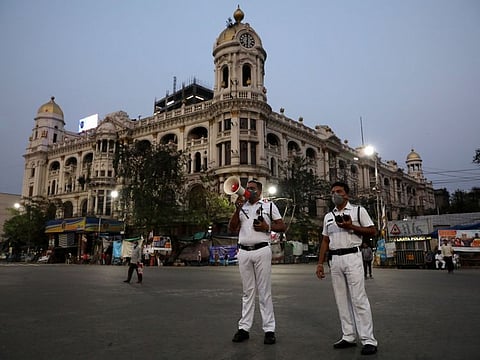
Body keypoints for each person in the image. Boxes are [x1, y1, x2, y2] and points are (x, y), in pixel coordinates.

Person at [316, 181, 378, 356]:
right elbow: (325, 240)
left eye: (339, 191)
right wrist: (320, 263)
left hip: (353, 256)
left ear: (347, 195)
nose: (335, 194)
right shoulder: (329, 216)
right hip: (335, 259)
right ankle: (348, 336)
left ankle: (368, 340)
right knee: (341, 300)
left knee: (358, 298)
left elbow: (372, 231)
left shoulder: (358, 211)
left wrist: (351, 226)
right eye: (333, 191)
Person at [228, 179, 286, 345]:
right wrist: (237, 208)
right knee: (247, 292)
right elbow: (231, 228)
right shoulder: (242, 207)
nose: (248, 191)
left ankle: (269, 329)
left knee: (264, 291)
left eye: (252, 189)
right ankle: (244, 328)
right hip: (244, 251)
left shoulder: (268, 206)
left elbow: (282, 226)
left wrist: (267, 227)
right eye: (247, 188)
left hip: (262, 250)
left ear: (260, 192)